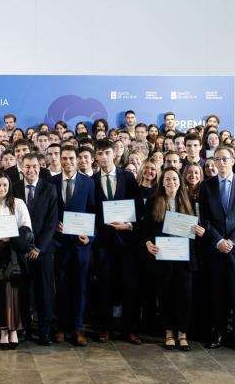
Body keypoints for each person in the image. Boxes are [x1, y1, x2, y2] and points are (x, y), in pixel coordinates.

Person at [198, 147, 235, 353]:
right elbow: (203, 218)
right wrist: (218, 240)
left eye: (225, 159)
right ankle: (218, 333)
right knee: (217, 293)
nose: (221, 163)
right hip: (215, 249)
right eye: (217, 159)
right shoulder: (206, 186)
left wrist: (231, 241)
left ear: (232, 161)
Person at [141, 168, 203, 351]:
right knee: (165, 295)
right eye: (167, 179)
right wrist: (147, 244)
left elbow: (198, 227)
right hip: (163, 256)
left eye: (175, 179)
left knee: (184, 296)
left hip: (184, 258)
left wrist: (199, 231)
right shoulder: (153, 201)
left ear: (180, 181)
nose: (171, 182)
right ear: (162, 182)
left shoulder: (190, 200)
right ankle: (168, 332)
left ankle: (183, 334)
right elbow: (145, 230)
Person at [91, 139, 141, 344]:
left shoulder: (127, 177)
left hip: (127, 242)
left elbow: (138, 208)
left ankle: (128, 330)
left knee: (129, 286)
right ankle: (104, 328)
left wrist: (129, 226)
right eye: (100, 153)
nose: (104, 156)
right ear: (96, 156)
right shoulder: (91, 180)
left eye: (107, 152)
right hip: (103, 242)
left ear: (115, 154)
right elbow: (90, 211)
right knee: (104, 286)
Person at [0, 174, 33, 350]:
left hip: (12, 254)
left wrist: (12, 234)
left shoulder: (18, 203)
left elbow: (27, 229)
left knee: (13, 293)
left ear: (9, 186)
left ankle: (14, 331)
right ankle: (2, 332)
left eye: (4, 185)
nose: (1, 188)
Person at [12, 152, 60, 345]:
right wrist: (23, 247)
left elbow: (52, 222)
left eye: (34, 167)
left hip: (43, 251)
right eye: (27, 167)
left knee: (44, 292)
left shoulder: (49, 189)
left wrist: (38, 247)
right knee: (23, 292)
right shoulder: (13, 188)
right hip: (20, 251)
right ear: (21, 168)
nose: (31, 170)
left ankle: (44, 331)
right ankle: (24, 329)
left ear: (39, 167)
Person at [51, 145, 95, 346]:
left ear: (78, 160)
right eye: (64, 158)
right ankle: (61, 327)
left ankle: (78, 329)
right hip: (59, 245)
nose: (67, 162)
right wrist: (54, 226)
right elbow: (47, 213)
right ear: (59, 160)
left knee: (80, 288)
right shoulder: (51, 182)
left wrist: (90, 237)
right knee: (60, 288)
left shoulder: (88, 183)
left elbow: (95, 213)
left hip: (80, 245)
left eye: (71, 158)